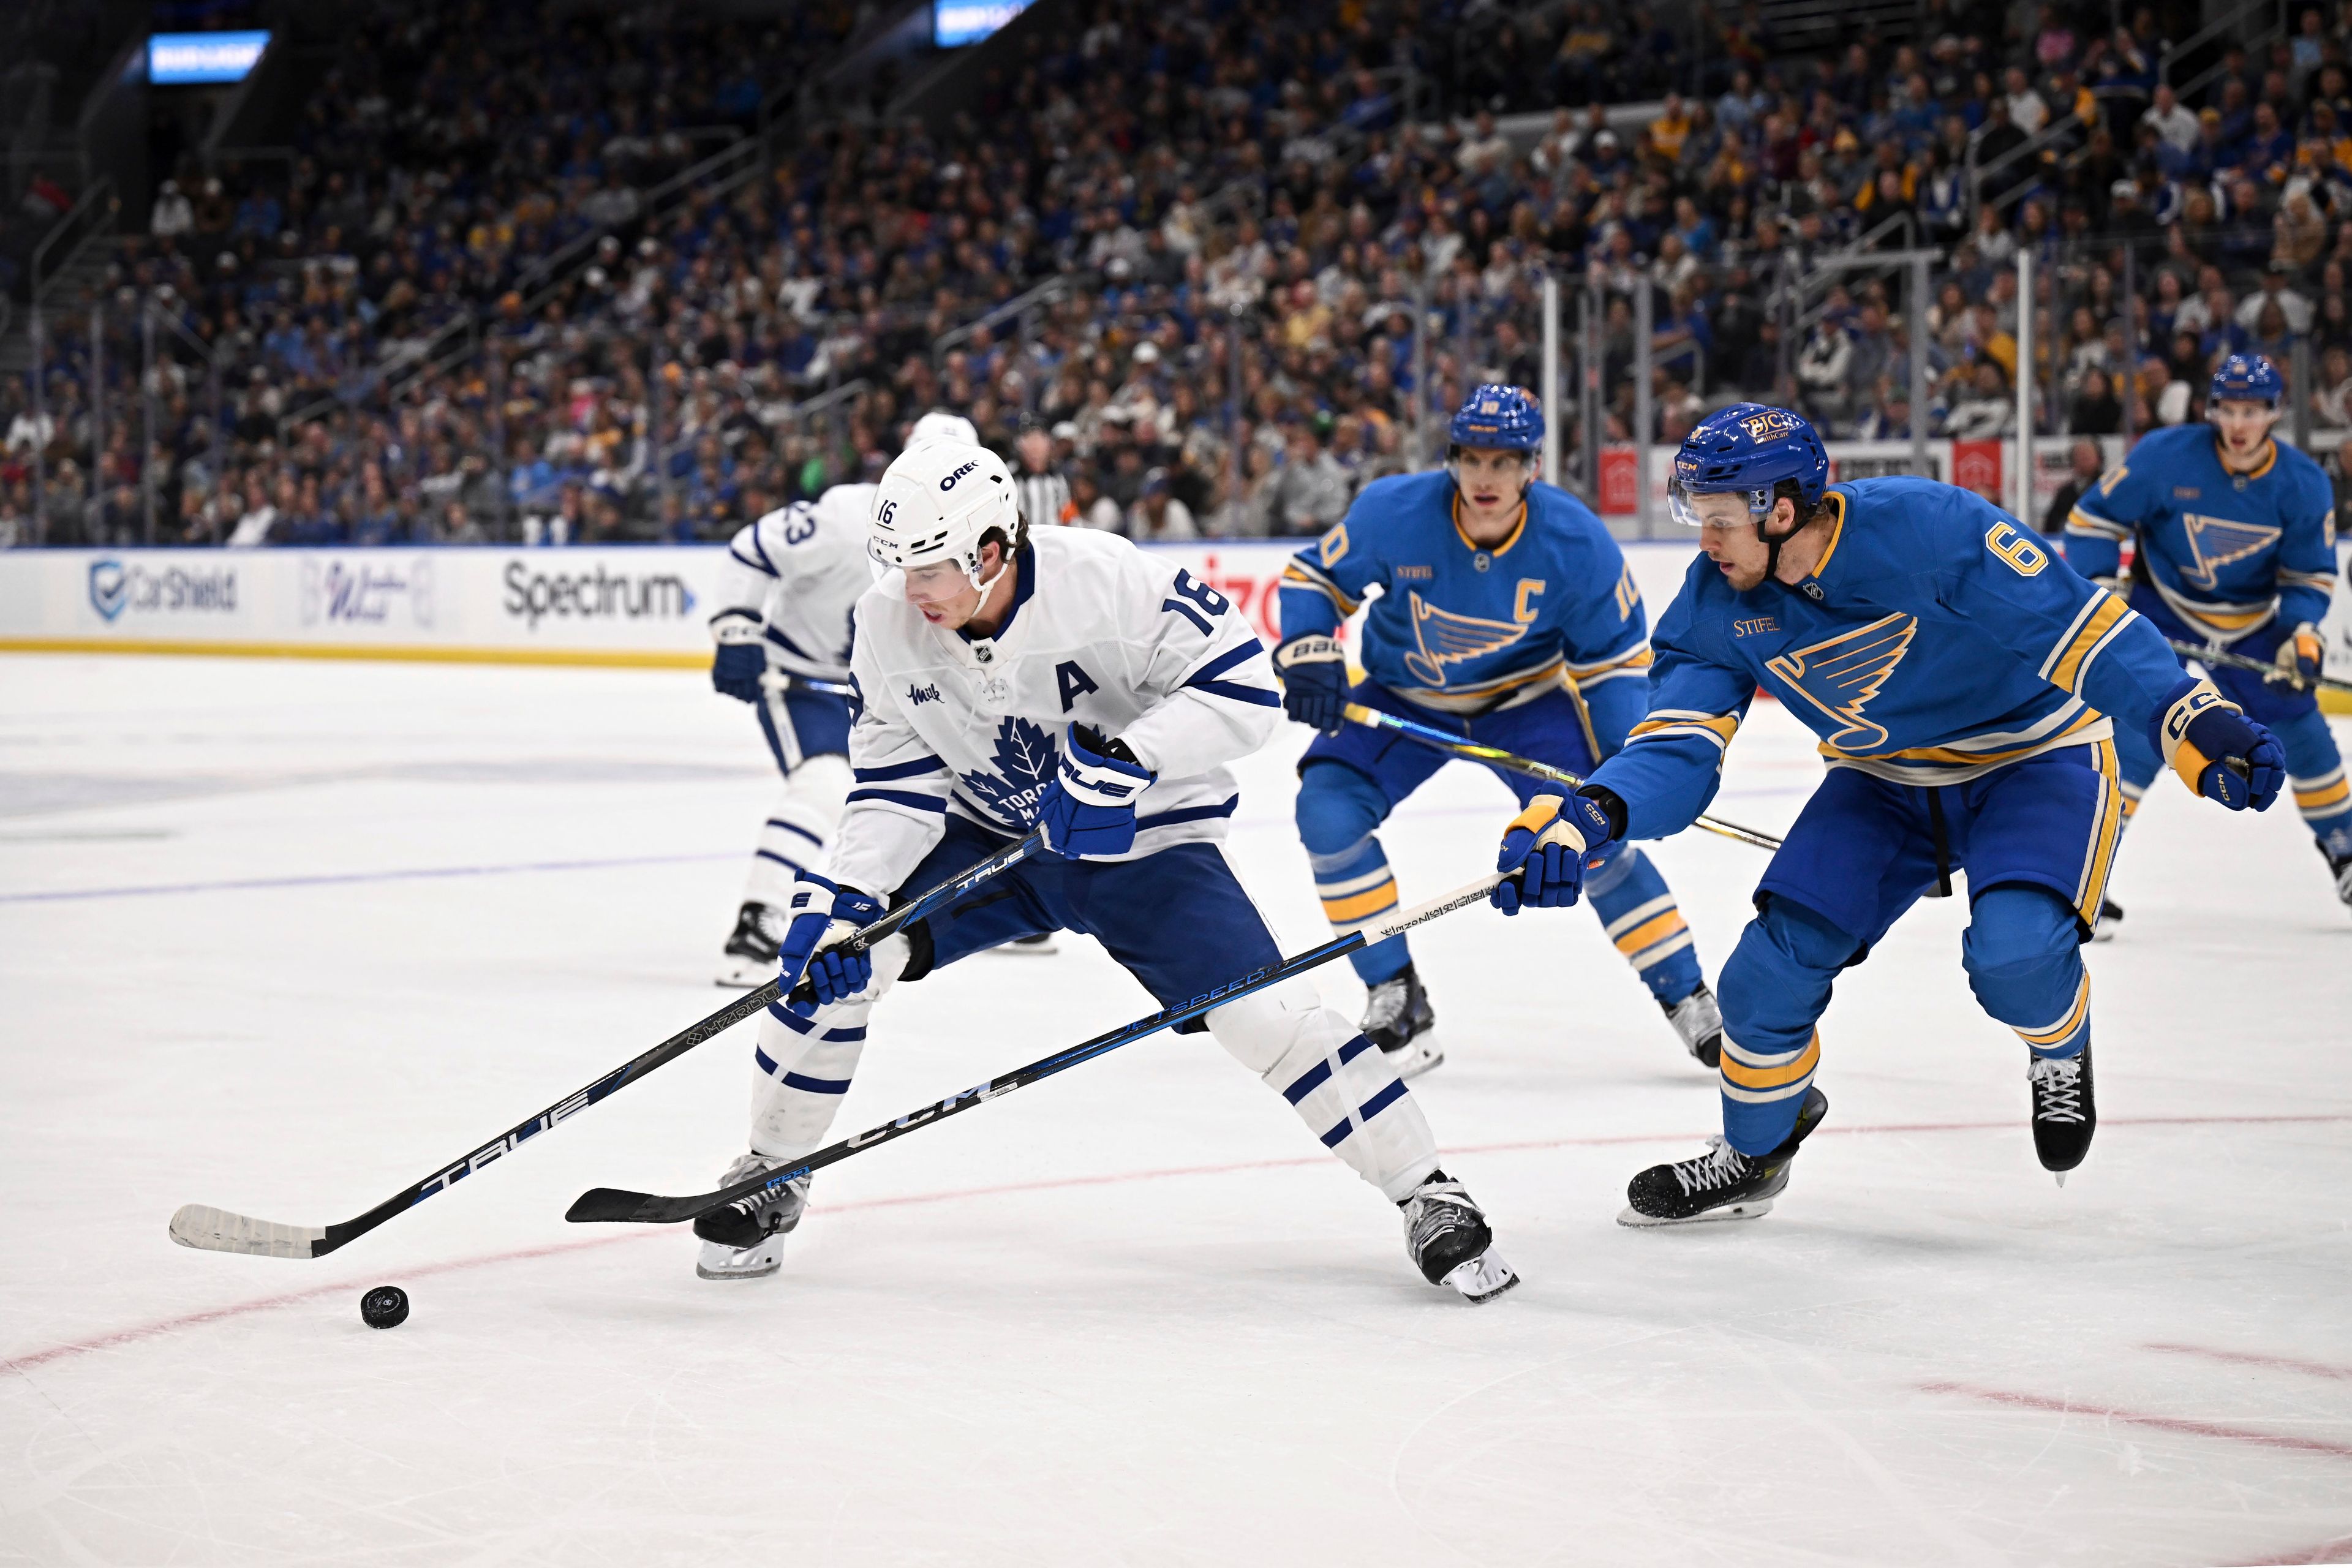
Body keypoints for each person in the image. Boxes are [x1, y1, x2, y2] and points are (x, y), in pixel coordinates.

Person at [690, 436, 1516, 1303]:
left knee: (1263, 1016)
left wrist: (1126, 762)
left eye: (929, 567)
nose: (909, 589)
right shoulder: (886, 622)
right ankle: (775, 1169)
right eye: (897, 567)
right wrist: (853, 896)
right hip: (990, 839)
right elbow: (896, 782)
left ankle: (1428, 1190)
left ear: (992, 549)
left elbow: (1243, 691)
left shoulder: (1109, 581)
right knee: (830, 970)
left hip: (1144, 843)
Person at [1490, 403, 2284, 1224]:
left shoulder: (1931, 529)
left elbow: (2080, 630)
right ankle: (1755, 1155)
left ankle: (2059, 1044)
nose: (1706, 543)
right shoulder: (1712, 606)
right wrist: (1592, 813)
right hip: (1881, 784)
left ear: (1781, 511)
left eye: (1721, 521)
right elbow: (1678, 749)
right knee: (1762, 983)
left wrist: (2188, 718)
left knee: (2015, 956)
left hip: (2032, 758)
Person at [1274, 386, 1724, 1079]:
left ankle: (1688, 994)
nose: (1487, 477)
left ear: (1533, 467)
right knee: (1326, 811)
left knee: (1592, 837)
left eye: (1505, 461)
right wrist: (1308, 644)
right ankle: (1395, 992)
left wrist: (1621, 778)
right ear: (1452, 460)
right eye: (1473, 458)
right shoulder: (1394, 512)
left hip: (1528, 705)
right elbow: (1314, 576)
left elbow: (1610, 670)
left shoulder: (1576, 542)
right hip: (1405, 696)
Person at [2062, 354, 2350, 914]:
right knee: (2136, 730)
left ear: (2274, 413)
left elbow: (2308, 574)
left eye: (2253, 411)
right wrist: (2101, 586)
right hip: (2160, 611)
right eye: (2229, 410)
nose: (2239, 426)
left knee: (2301, 726)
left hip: (2253, 623)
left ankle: (2346, 850)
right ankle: (2084, 867)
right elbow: (2092, 521)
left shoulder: (2303, 484)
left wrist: (2302, 636)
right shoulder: (2166, 456)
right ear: (2211, 410)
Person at [705, 410, 979, 987]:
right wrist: (735, 627)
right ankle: (759, 917)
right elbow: (753, 549)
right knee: (826, 782)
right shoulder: (843, 519)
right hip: (808, 680)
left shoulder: (979, 543)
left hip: (894, 693)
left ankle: (983, 907)